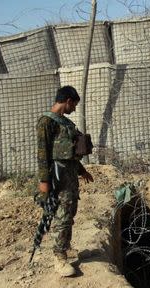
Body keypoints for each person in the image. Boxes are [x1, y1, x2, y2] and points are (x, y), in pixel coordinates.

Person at [36, 85, 94, 277]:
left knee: (69, 213)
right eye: (74, 105)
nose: (75, 109)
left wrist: (82, 170)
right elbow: (43, 154)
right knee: (61, 216)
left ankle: (64, 248)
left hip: (69, 177)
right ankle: (59, 258)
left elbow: (70, 153)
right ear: (68, 101)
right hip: (57, 178)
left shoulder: (66, 123)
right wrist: (44, 182)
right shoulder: (47, 122)